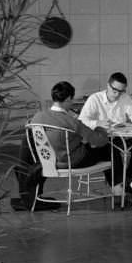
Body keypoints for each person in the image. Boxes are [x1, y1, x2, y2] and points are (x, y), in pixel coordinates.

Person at [15, 81, 112, 209]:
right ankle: (118, 187)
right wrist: (101, 127)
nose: (72, 103)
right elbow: (98, 140)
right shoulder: (71, 122)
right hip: (72, 161)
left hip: (48, 160)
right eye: (71, 100)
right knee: (108, 147)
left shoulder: (37, 117)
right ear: (67, 99)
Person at [78, 71, 132, 194]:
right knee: (111, 148)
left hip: (122, 136)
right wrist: (98, 123)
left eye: (121, 91)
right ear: (108, 85)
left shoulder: (125, 98)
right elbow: (81, 121)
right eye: (115, 90)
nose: (117, 94)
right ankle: (119, 184)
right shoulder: (95, 98)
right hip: (103, 138)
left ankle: (129, 179)